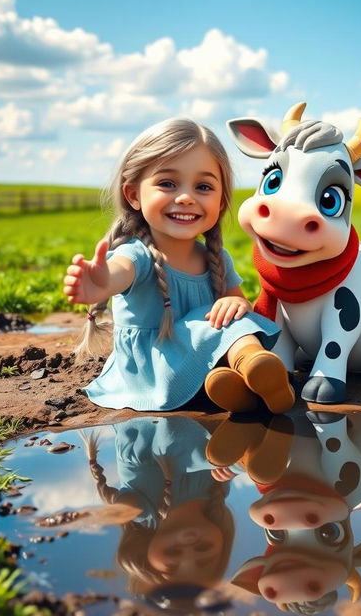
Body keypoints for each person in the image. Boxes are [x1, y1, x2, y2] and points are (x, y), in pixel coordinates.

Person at [63, 118, 295, 413]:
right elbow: (118, 274)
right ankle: (253, 365)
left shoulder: (216, 259)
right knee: (210, 322)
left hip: (200, 363)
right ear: (133, 195)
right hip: (156, 368)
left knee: (227, 320)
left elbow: (239, 300)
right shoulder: (137, 255)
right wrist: (99, 284)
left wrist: (235, 303)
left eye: (203, 186)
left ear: (221, 200)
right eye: (167, 183)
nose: (185, 197)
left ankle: (245, 384)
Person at [79, 416, 238, 613]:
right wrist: (233, 467)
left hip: (149, 416)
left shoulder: (144, 510)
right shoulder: (216, 494)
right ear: (222, 545)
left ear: (145, 559)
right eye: (204, 550)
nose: (189, 548)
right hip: (211, 418)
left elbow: (121, 505)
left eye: (173, 554)